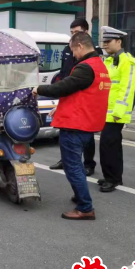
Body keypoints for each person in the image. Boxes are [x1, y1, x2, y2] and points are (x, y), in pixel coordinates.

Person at [33, 32, 110, 220]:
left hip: (76, 124)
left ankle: (85, 207)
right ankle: (79, 194)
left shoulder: (85, 67)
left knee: (72, 166)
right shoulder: (100, 65)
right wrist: (60, 107)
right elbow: (82, 94)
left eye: (73, 50)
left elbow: (63, 87)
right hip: (88, 123)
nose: (73, 55)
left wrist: (39, 89)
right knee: (77, 164)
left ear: (80, 46)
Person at [49, 18, 98, 176]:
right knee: (65, 128)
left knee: (86, 132)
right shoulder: (67, 49)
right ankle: (65, 160)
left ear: (85, 32)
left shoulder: (94, 51)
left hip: (84, 95)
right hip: (67, 91)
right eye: (71, 32)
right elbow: (64, 72)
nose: (73, 35)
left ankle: (88, 163)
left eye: (76, 32)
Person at [99, 26, 135, 193]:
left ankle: (113, 178)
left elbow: (127, 89)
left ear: (119, 42)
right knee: (110, 145)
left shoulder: (128, 62)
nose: (105, 44)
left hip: (116, 113)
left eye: (108, 41)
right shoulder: (109, 61)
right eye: (104, 41)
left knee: (109, 145)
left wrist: (118, 112)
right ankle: (112, 176)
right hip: (107, 112)